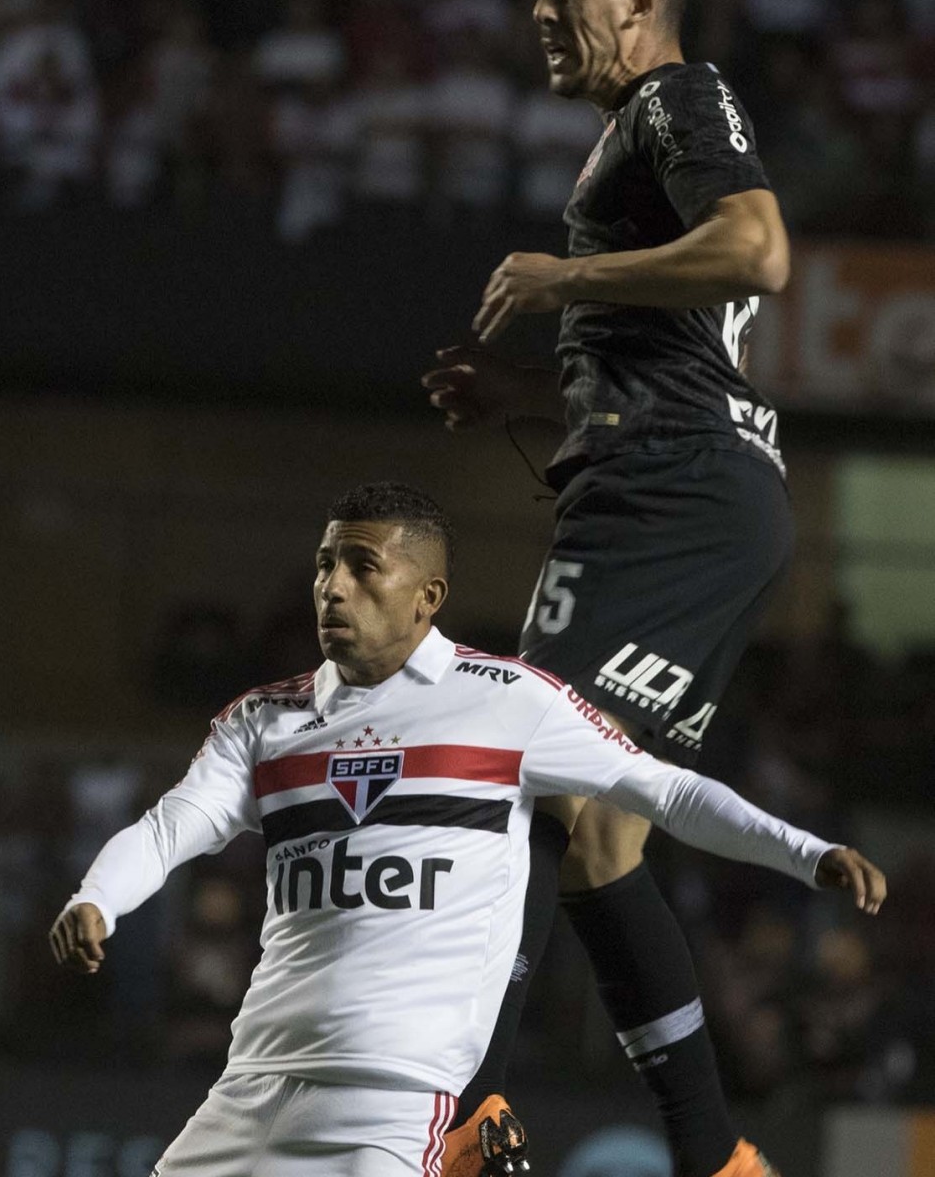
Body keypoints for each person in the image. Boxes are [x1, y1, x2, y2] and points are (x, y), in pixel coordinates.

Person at [50, 481, 885, 1177]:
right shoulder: (265, 720)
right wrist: (99, 898)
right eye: (323, 565)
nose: (332, 587)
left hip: (393, 1104)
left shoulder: (507, 701)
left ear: (428, 596)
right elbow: (170, 828)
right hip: (248, 1088)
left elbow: (664, 792)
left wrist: (804, 852)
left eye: (360, 566)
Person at [423, 0, 804, 1177]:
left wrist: (561, 277)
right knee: (599, 833)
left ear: (637, 1)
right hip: (701, 490)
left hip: (670, 495)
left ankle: (463, 1112)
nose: (538, 14)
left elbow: (756, 250)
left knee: (518, 773)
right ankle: (714, 1154)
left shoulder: (672, 102)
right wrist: (528, 396)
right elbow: (682, 350)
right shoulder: (636, 132)